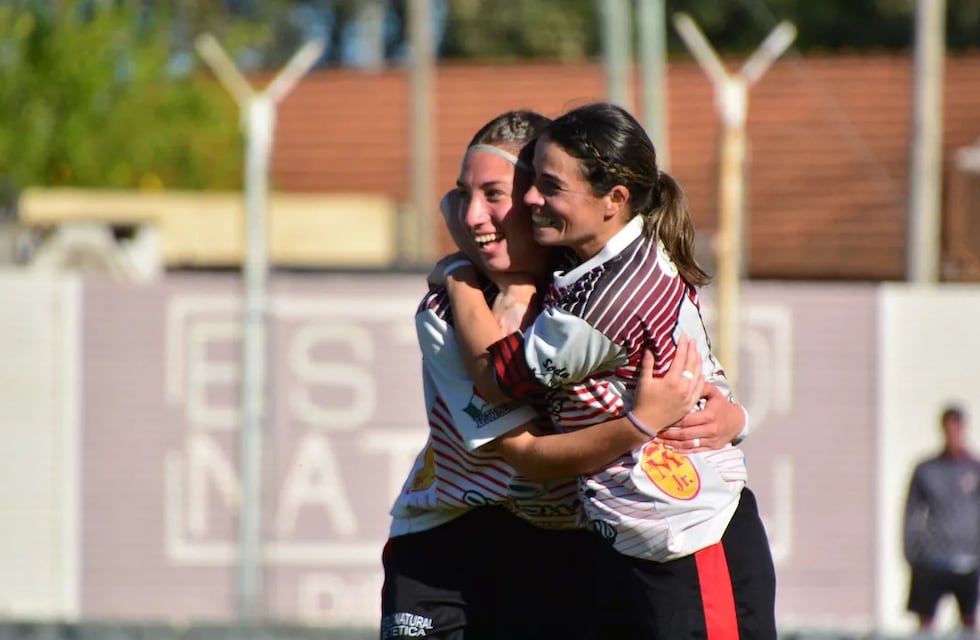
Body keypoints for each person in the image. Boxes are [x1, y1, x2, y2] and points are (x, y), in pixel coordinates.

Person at [381, 109, 749, 640]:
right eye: (464, 195)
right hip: (451, 537)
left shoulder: (591, 287)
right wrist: (462, 277)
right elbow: (526, 454)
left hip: (587, 539)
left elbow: (700, 374)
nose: (474, 215)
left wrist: (730, 415)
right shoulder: (446, 312)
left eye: (496, 194)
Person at [903, 405, 980, 633]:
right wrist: (914, 553)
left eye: (957, 428)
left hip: (967, 560)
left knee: (968, 622)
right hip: (934, 560)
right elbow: (912, 513)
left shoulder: (974, 469)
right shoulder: (927, 470)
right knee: (925, 623)